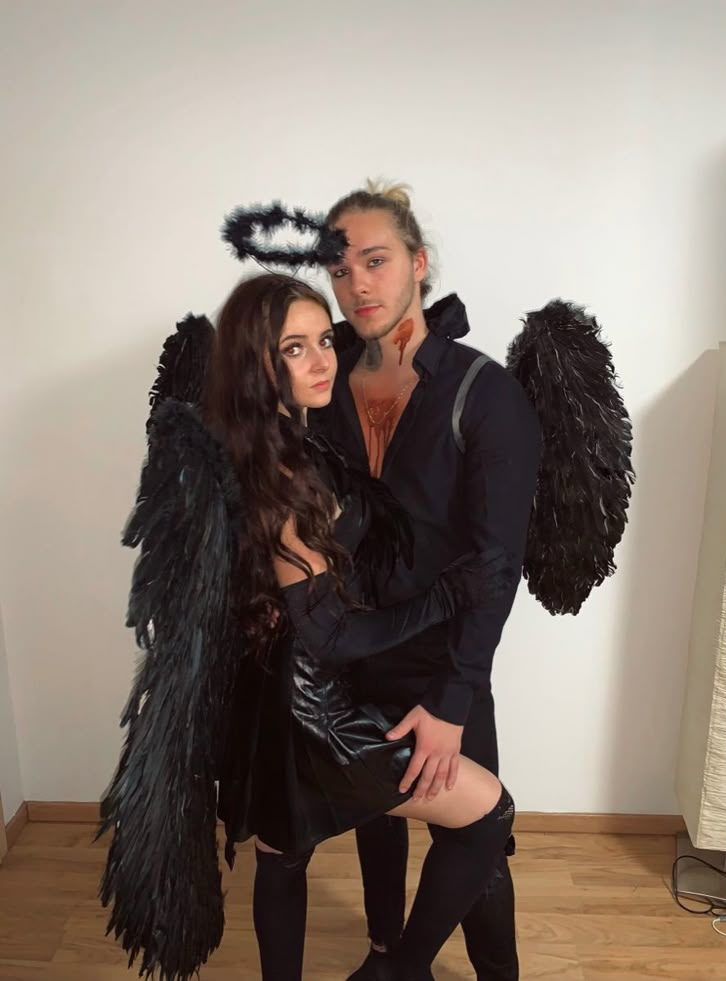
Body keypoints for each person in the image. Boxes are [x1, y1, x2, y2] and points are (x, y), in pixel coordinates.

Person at [99, 272, 520, 981]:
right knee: (488, 813)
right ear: (259, 363)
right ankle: (403, 967)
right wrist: (447, 597)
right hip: (312, 707)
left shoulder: (266, 441)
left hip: (265, 701)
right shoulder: (282, 474)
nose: (324, 359)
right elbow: (331, 636)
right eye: (296, 347)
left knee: (281, 855)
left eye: (325, 339)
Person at [302, 181, 542, 981]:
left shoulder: (485, 393)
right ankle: (382, 950)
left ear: (418, 263)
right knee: (380, 808)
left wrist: (453, 697)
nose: (357, 284)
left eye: (375, 260)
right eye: (340, 270)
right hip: (353, 649)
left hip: (445, 663)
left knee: (476, 839)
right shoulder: (323, 386)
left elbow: (497, 564)